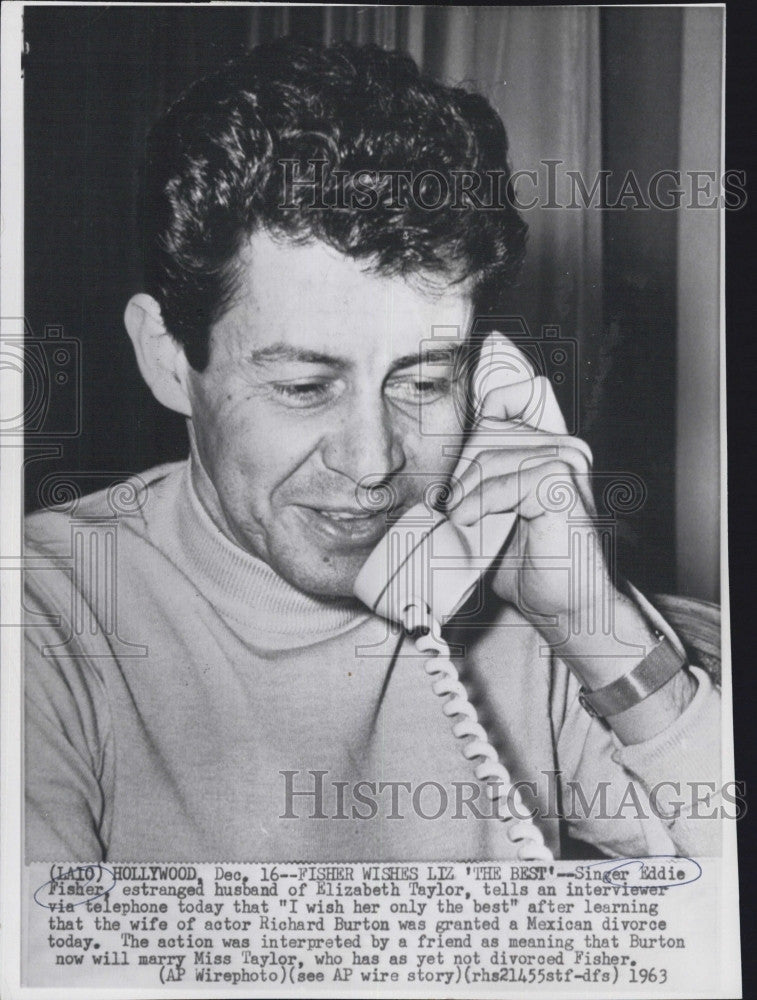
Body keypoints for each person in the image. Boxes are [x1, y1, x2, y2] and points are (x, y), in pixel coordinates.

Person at [24, 38, 721, 863]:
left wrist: (588, 623)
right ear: (169, 358)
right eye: (305, 387)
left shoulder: (520, 599)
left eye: (423, 383)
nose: (372, 463)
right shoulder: (47, 618)